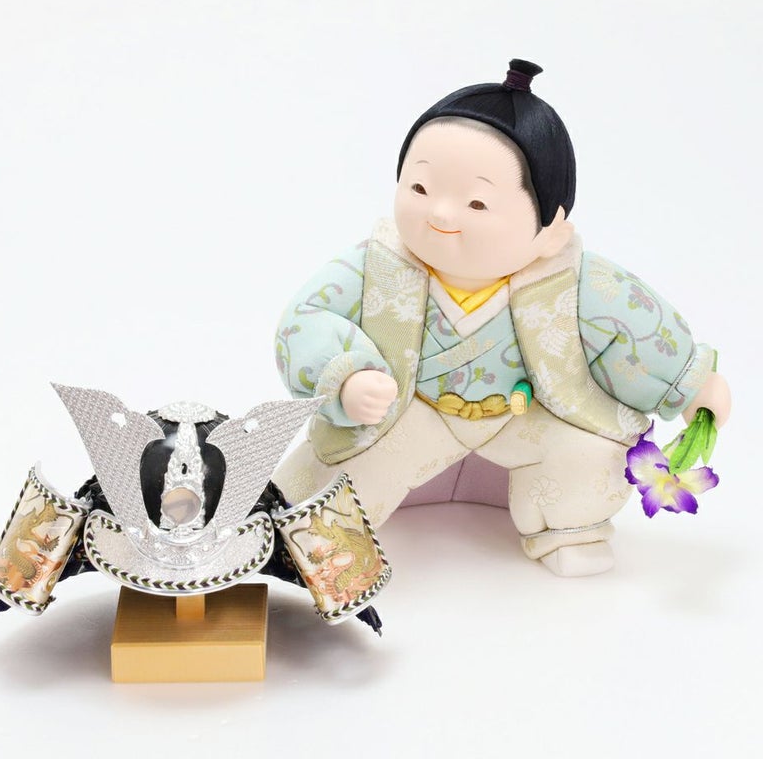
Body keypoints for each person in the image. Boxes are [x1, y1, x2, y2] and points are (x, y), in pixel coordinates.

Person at [272, 59, 731, 577]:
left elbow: (634, 330)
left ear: (552, 229)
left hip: (530, 416)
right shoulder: (374, 266)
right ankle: (313, 551)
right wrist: (348, 378)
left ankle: (569, 530)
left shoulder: (577, 282)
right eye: (420, 189)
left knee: (589, 454)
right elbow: (308, 318)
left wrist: (690, 385)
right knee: (348, 471)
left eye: (476, 202)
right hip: (412, 410)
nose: (440, 214)